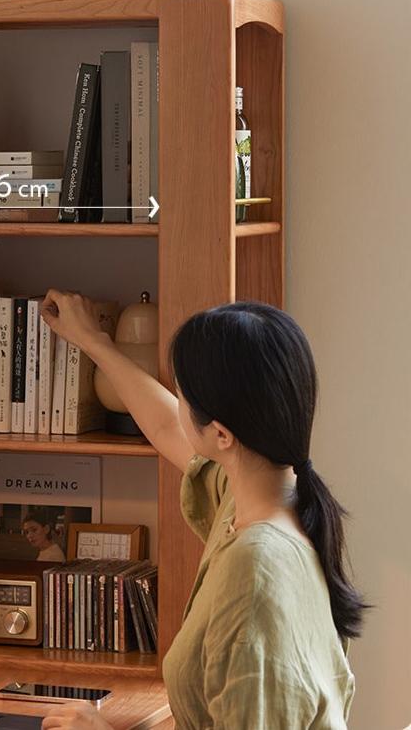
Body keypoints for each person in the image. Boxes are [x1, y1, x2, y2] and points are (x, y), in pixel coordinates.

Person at [39, 292, 366, 730]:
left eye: (183, 393)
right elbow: (164, 426)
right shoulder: (275, 495)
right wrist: (95, 342)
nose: (178, 402)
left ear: (221, 434)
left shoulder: (256, 569)